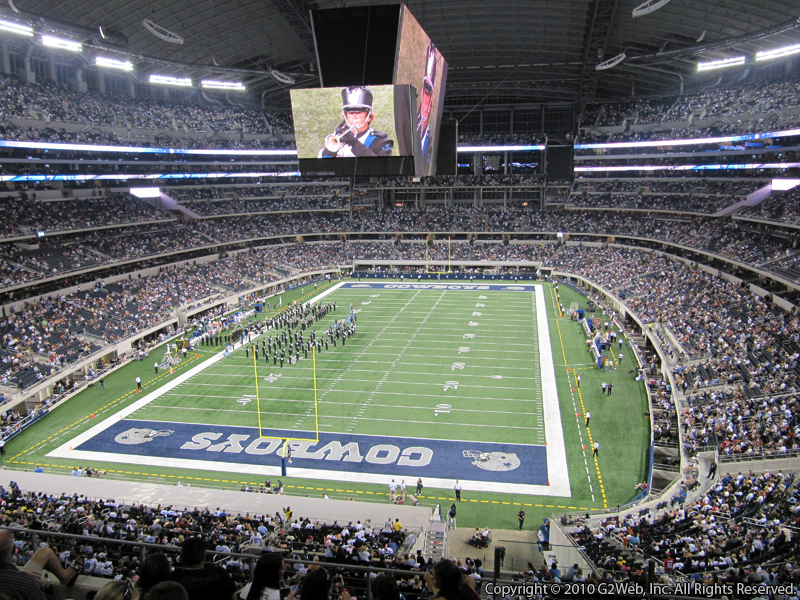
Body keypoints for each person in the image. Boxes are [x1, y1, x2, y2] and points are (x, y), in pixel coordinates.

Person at [0, 529, 83, 600]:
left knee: (44, 552)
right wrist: (22, 578)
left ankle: (65, 576)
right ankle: (66, 577)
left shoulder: (25, 580)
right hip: (15, 581)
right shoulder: (26, 583)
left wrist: (19, 574)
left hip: (9, 576)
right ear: (14, 549)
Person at [318, 87, 394, 158]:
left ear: (369, 117)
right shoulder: (338, 136)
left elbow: (380, 167)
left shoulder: (381, 141)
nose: (354, 117)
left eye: (359, 113)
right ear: (345, 116)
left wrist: (354, 143)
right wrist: (332, 148)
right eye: (351, 113)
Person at [169, 537, 236, 600]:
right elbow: (233, 597)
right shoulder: (221, 573)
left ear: (182, 556)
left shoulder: (171, 580)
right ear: (204, 555)